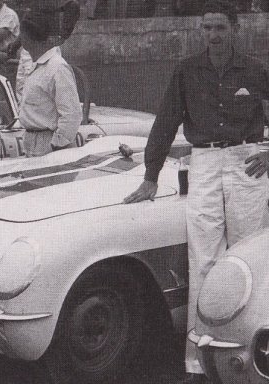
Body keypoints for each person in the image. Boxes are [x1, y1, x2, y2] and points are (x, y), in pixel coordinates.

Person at [124, 1, 269, 383]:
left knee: (249, 258)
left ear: (234, 29)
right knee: (203, 259)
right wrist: (151, 175)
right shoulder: (187, 70)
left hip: (247, 164)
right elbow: (167, 120)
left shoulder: (255, 69)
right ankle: (197, 363)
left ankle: (250, 358)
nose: (213, 35)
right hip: (204, 164)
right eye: (207, 28)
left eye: (220, 27)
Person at [18, 4, 82, 157]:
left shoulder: (57, 67)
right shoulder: (35, 65)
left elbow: (71, 114)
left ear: (29, 38)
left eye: (22, 34)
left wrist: (56, 146)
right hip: (30, 140)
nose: (20, 39)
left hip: (49, 143)